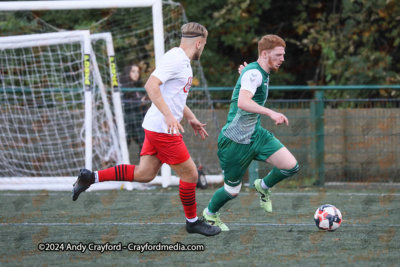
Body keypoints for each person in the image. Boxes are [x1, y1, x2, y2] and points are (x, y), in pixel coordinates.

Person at [72, 22, 221, 236]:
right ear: (198, 43)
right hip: (163, 129)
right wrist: (170, 117)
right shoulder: (176, 59)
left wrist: (191, 117)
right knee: (190, 175)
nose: (203, 49)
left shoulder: (182, 61)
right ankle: (193, 222)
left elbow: (175, 96)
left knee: (145, 173)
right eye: (204, 45)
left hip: (156, 126)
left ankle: (90, 177)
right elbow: (151, 86)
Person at [202, 35, 299, 231]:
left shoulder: (258, 71)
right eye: (278, 55)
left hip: (256, 134)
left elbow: (248, 79)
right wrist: (271, 112)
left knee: (291, 166)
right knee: (232, 190)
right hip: (235, 140)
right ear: (264, 54)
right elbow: (243, 102)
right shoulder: (254, 74)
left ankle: (262, 186)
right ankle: (210, 214)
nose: (282, 59)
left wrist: (245, 72)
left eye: (283, 55)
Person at [121, 63, 147, 152]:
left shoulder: (137, 88)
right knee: (122, 148)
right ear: (128, 73)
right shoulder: (123, 87)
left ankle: (143, 166)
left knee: (144, 145)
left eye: (138, 72)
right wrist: (140, 102)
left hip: (138, 123)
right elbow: (124, 104)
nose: (136, 74)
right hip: (127, 123)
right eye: (133, 71)